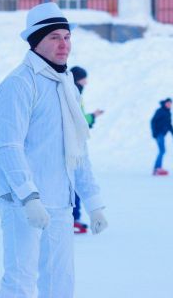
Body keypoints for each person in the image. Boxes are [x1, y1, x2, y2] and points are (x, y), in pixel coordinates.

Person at [0, 2, 107, 298]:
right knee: (19, 281)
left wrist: (93, 200)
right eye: (54, 37)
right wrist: (29, 196)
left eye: (67, 37)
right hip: (23, 201)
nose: (64, 44)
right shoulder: (18, 83)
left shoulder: (66, 82)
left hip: (60, 199)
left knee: (60, 282)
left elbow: (77, 147)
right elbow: (8, 146)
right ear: (36, 41)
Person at [70, 66, 104, 234]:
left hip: (75, 141)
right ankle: (72, 217)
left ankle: (73, 216)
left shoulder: (75, 91)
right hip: (73, 144)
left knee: (74, 181)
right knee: (76, 180)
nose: (86, 82)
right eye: (84, 78)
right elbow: (79, 119)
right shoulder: (73, 92)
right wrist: (93, 116)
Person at [150, 98, 173, 176]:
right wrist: (154, 132)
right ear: (165, 103)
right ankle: (157, 168)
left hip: (162, 134)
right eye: (168, 103)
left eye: (170, 104)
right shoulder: (160, 111)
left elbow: (169, 125)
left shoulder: (168, 113)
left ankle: (157, 168)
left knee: (162, 151)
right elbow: (152, 121)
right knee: (162, 150)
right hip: (159, 133)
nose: (169, 105)